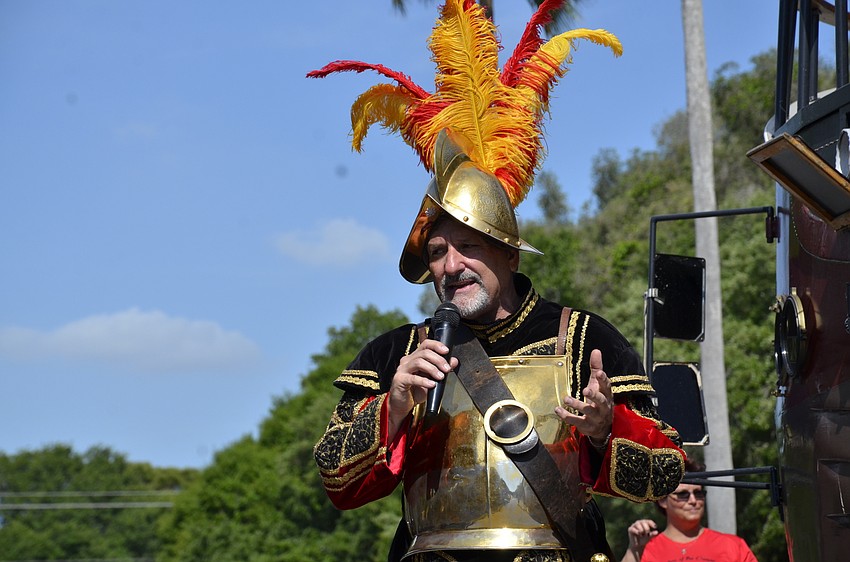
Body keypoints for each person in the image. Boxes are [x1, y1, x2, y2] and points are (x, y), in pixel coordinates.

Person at [309, 1, 686, 561]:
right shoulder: (396, 352)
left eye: (469, 246)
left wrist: (608, 430)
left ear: (508, 254)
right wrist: (393, 405)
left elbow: (667, 473)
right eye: (437, 252)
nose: (451, 265)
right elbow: (336, 482)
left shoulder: (586, 339)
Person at [620, 464, 758, 562]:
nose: (693, 500)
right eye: (683, 494)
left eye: (698, 493)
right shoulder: (644, 549)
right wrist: (634, 549)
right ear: (662, 500)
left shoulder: (733, 546)